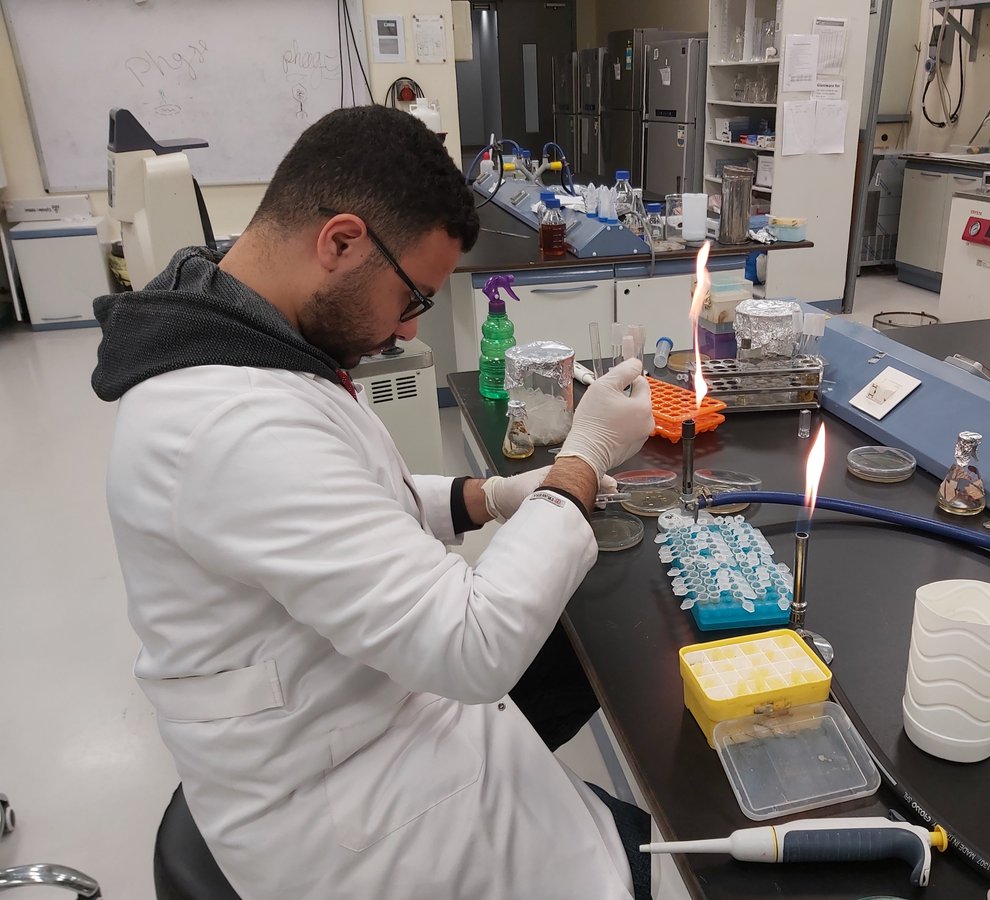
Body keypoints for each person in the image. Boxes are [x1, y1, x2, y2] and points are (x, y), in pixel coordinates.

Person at [91, 106, 656, 899]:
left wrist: (489, 496)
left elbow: (349, 501)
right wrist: (581, 461)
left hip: (351, 717)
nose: (406, 330)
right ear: (341, 242)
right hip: (346, 815)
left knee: (585, 658)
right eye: (412, 296)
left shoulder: (243, 332)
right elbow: (471, 646)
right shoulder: (231, 423)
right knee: (636, 854)